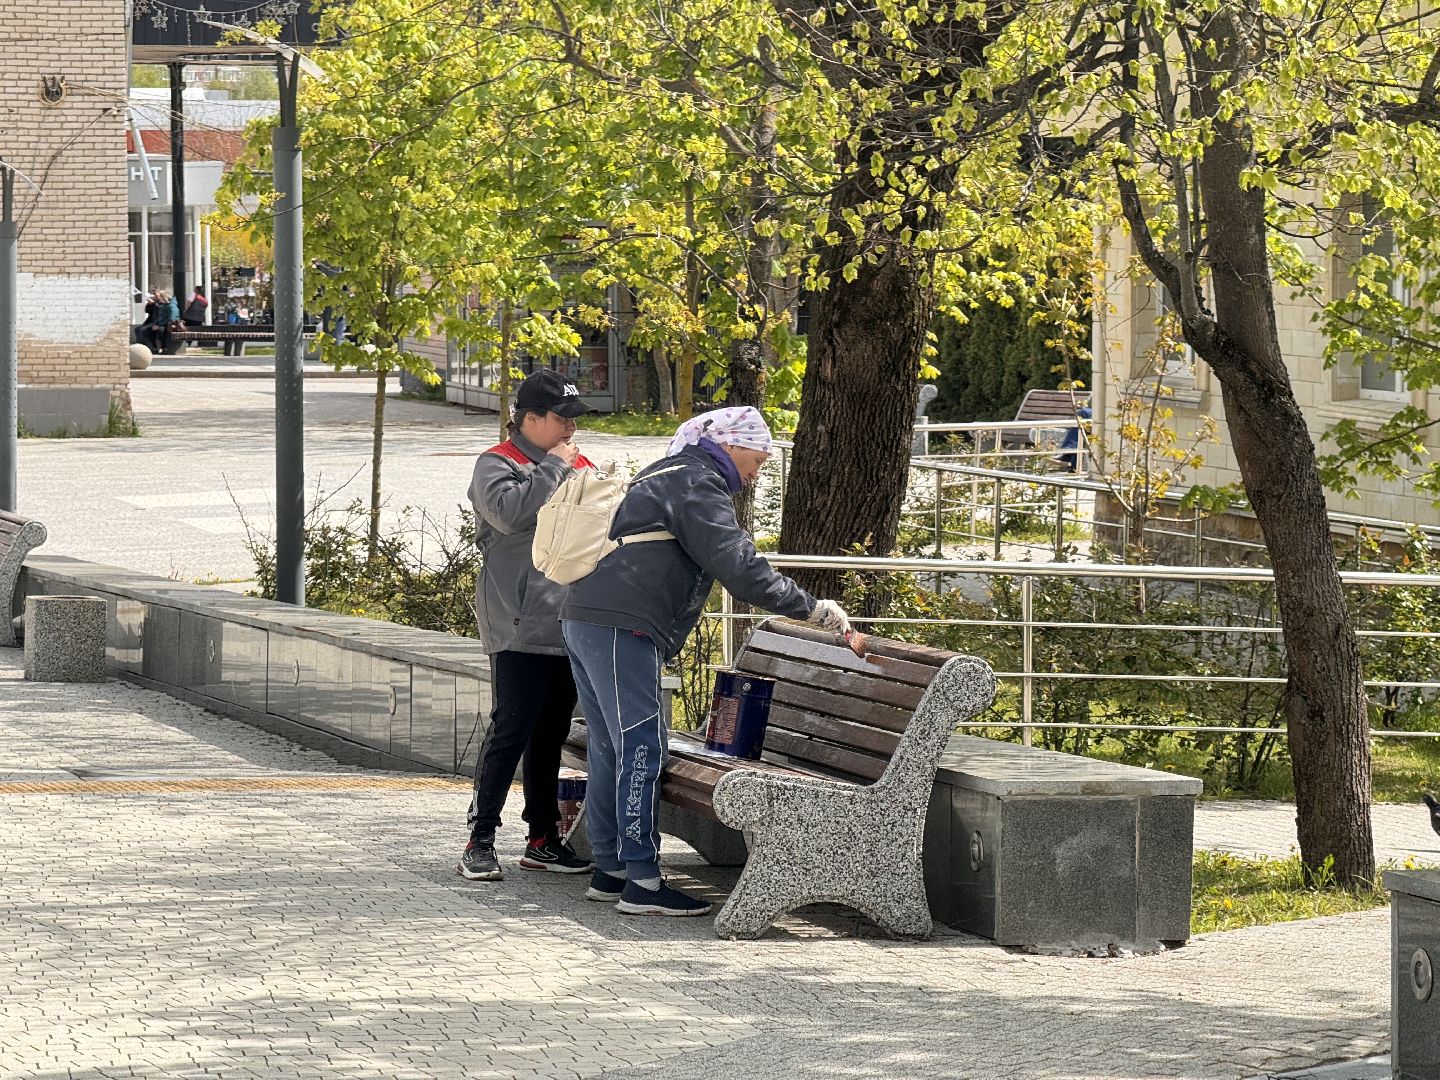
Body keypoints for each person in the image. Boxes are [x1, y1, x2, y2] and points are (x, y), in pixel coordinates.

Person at [561, 406, 852, 917]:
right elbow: (738, 565)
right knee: (641, 747)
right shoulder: (696, 483)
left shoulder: (669, 470)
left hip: (589, 617)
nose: (757, 470)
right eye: (757, 458)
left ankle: (611, 872)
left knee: (612, 745)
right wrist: (811, 607)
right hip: (620, 624)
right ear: (731, 446)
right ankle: (644, 883)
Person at [458, 369, 601, 882]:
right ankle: (480, 839)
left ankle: (542, 837)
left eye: (573, 419)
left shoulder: (577, 463)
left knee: (551, 733)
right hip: (517, 621)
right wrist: (555, 471)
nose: (570, 428)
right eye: (562, 418)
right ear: (530, 418)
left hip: (568, 619)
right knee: (510, 730)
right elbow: (511, 516)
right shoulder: (498, 463)